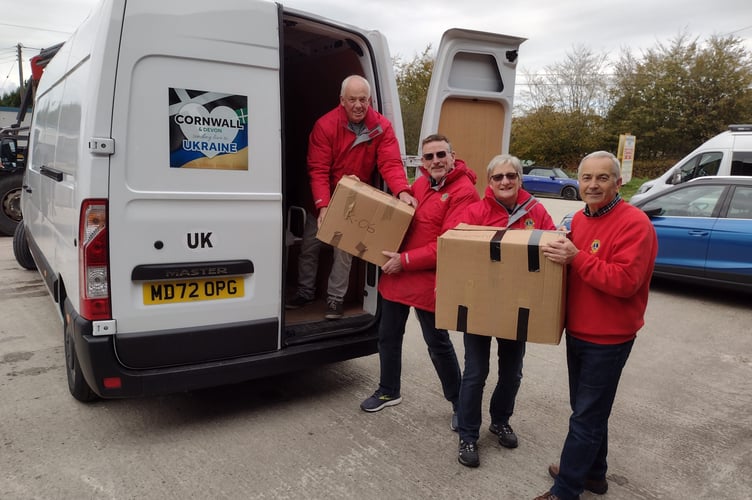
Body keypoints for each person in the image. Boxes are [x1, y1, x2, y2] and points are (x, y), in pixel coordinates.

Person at [534, 151, 658, 500]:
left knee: (586, 416)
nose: (592, 185)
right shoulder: (580, 219)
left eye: (602, 178)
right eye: (586, 177)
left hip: (609, 338)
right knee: (588, 410)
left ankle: (566, 489)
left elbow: (625, 282)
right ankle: (594, 474)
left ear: (618, 183)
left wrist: (577, 257)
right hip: (579, 331)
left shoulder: (635, 224)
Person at [360, 134, 479, 429]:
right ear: (422, 162)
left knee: (437, 343)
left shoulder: (464, 192)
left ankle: (458, 403)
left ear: (453, 156)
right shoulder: (422, 183)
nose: (435, 161)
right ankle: (389, 390)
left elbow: (448, 244)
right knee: (388, 337)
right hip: (399, 276)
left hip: (427, 280)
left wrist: (406, 261)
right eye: (429, 157)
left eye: (441, 155)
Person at [453, 154, 556, 468]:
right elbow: (454, 249)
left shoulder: (536, 211)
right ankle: (468, 434)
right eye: (498, 177)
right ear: (490, 182)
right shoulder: (474, 212)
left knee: (512, 373)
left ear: (520, 179)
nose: (505, 182)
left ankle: (500, 420)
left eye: (511, 176)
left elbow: (552, 242)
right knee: (475, 373)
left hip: (518, 306)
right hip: (481, 305)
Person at [286, 75, 417, 320]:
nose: (358, 105)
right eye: (353, 99)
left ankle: (335, 299)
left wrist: (402, 190)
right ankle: (305, 292)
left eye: (363, 100)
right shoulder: (325, 125)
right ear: (342, 100)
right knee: (309, 247)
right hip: (323, 197)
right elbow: (318, 170)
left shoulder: (381, 126)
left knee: (344, 251)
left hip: (353, 201)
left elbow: (390, 162)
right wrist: (323, 206)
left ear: (370, 100)